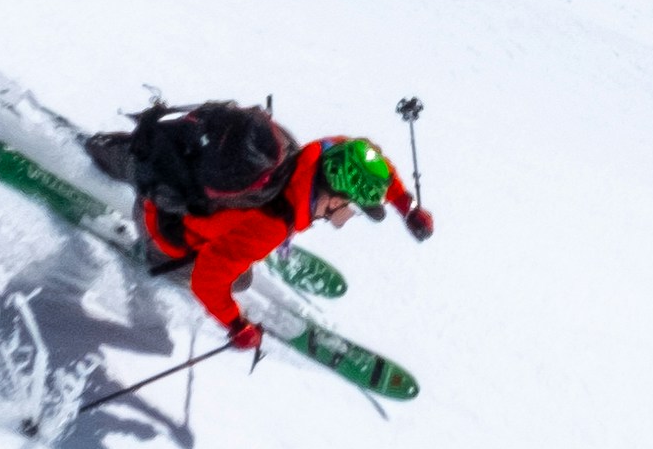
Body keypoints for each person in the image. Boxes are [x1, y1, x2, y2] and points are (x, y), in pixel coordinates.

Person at [90, 99, 432, 352]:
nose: (344, 217)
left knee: (131, 163)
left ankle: (102, 150)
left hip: (177, 161)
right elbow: (207, 280)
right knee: (240, 279)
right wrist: (237, 326)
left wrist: (407, 206)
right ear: (334, 195)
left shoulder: (322, 152)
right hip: (163, 224)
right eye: (349, 209)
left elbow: (372, 162)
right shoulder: (269, 226)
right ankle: (150, 250)